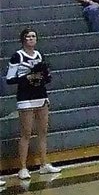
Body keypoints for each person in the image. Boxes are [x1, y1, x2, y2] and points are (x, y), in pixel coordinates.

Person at [5, 28, 61, 180]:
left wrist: (45, 76)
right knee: (26, 133)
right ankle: (23, 167)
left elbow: (47, 76)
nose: (31, 39)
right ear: (23, 39)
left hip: (40, 95)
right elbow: (10, 79)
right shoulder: (18, 56)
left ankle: (44, 164)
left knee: (43, 132)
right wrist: (27, 77)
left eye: (33, 36)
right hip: (25, 97)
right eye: (28, 36)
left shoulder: (40, 55)